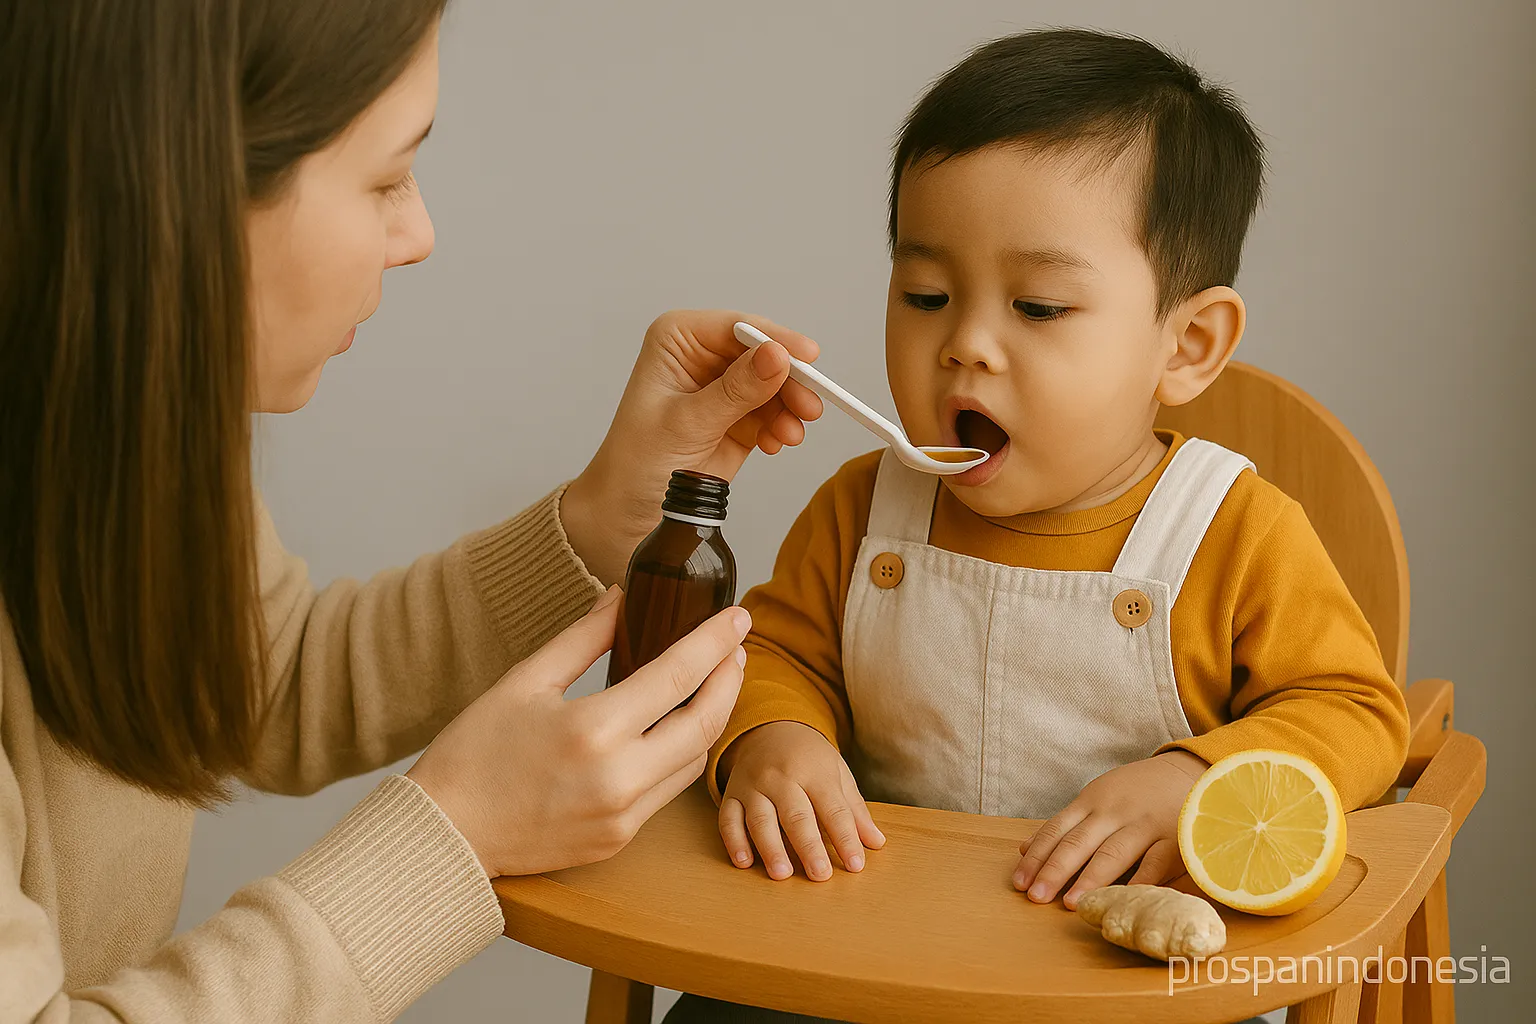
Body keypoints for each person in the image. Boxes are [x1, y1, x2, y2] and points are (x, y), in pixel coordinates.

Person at [0, 2, 825, 1021]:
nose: (419, 234)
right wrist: (457, 837)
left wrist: (597, 519)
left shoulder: (122, 422)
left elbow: (264, 674)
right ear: (174, 190)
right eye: (387, 178)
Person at [665, 28, 1409, 1023]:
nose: (965, 344)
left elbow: (1356, 713)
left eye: (1041, 306)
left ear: (1187, 345)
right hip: (869, 957)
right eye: (925, 294)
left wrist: (1197, 778)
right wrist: (775, 737)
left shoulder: (1235, 532)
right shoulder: (862, 510)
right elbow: (772, 653)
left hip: (1118, 979)